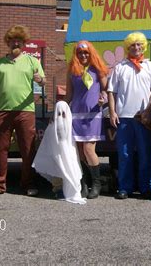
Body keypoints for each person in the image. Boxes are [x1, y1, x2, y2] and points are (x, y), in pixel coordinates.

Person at [0, 25, 46, 197]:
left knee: (28, 150)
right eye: (12, 40)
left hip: (26, 111)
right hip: (3, 111)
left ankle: (28, 184)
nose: (15, 43)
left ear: (24, 42)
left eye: (19, 40)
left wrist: (40, 79)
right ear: (8, 42)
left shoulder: (32, 61)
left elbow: (42, 82)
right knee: (0, 149)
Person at [108, 32, 151, 200]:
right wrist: (112, 111)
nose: (136, 48)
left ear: (143, 46)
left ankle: (147, 188)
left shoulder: (150, 66)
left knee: (146, 153)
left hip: (144, 118)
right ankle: (125, 187)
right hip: (124, 117)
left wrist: (148, 111)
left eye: (139, 45)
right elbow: (111, 91)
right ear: (127, 47)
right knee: (124, 154)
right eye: (132, 45)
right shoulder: (120, 67)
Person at [64, 40, 108, 199]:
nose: (83, 55)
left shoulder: (98, 69)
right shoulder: (72, 71)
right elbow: (69, 95)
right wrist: (60, 109)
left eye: (86, 52)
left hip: (93, 115)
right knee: (80, 152)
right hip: (76, 115)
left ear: (91, 54)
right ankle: (83, 184)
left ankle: (97, 184)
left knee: (89, 150)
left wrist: (104, 99)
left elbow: (106, 90)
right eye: (80, 53)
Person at [32, 101, 86, 205]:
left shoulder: (71, 126)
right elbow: (47, 144)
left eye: (63, 114)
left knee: (72, 169)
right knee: (57, 169)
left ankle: (73, 188)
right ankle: (58, 189)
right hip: (56, 156)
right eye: (58, 114)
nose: (61, 117)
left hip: (69, 156)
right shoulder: (51, 127)